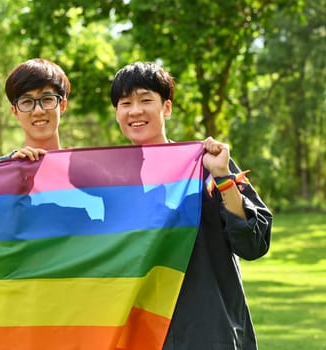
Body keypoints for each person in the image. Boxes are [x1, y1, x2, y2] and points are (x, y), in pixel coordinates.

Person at [110, 61, 272, 350]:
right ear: (117, 113)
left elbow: (253, 244)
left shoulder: (206, 165)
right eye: (126, 103)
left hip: (209, 330)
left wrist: (222, 177)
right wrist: (22, 173)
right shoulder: (110, 184)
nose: (135, 111)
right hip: (141, 333)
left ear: (167, 107)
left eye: (146, 100)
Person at [0, 58, 70, 164]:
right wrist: (12, 171)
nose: (38, 111)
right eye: (27, 102)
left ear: (62, 105)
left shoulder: (83, 170)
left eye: (47, 99)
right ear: (15, 111)